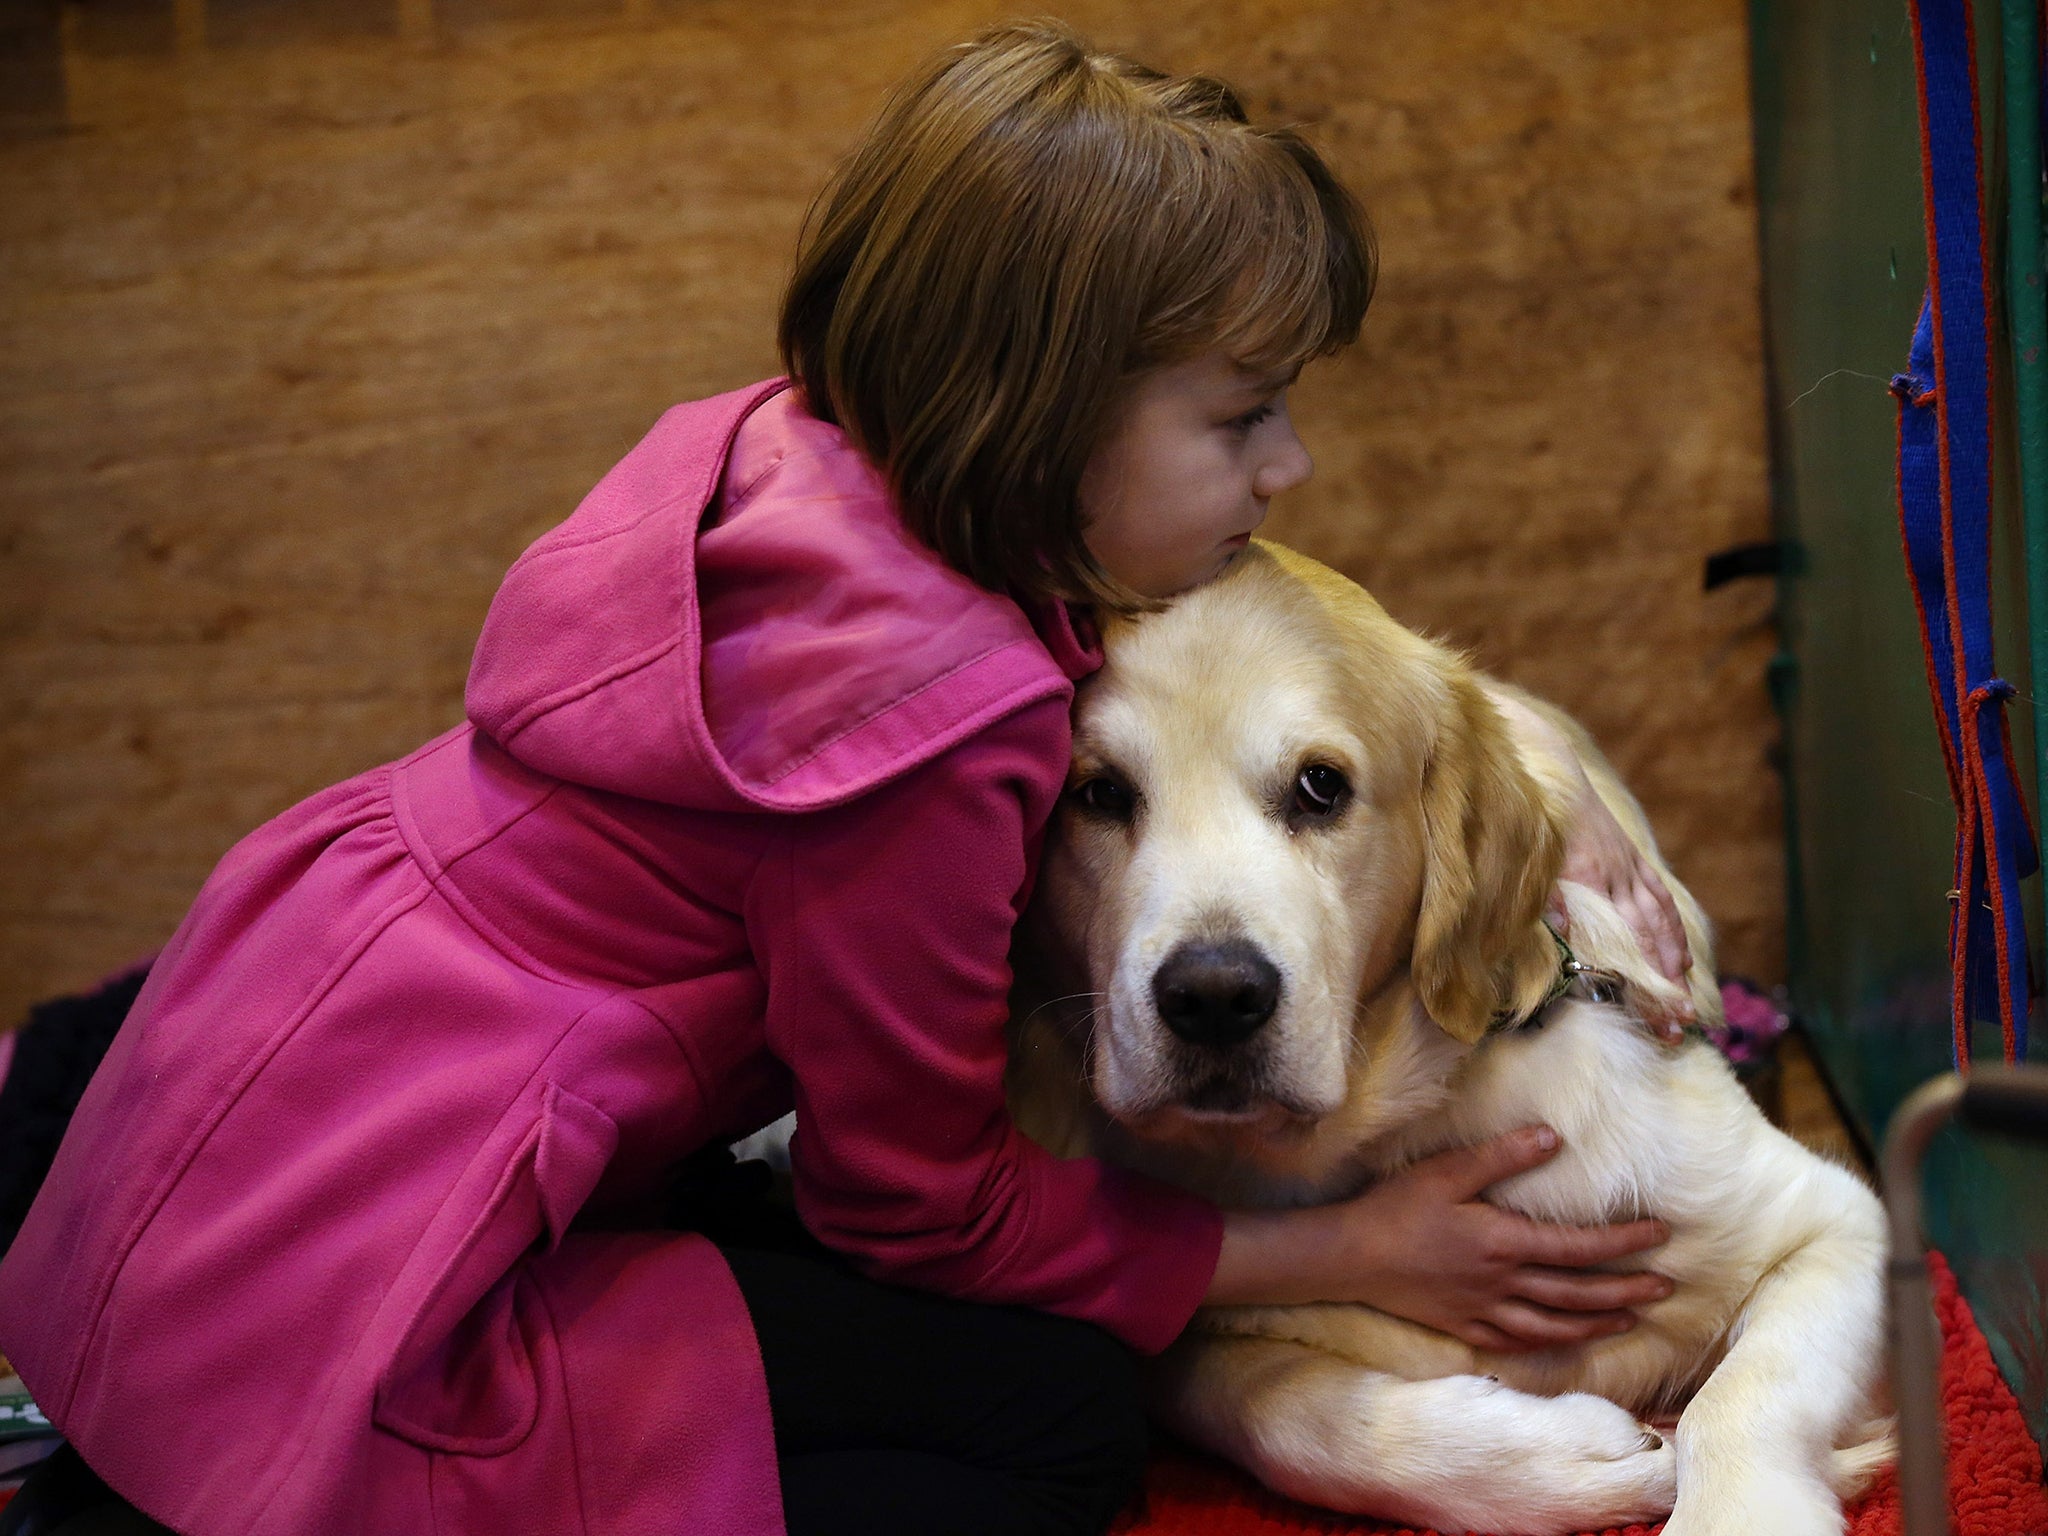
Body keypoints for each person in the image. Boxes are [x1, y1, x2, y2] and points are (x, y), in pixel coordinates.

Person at [0, 21, 1690, 1536]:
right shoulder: (941, 729)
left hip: (243, 1095)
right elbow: (922, 1214)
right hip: (377, 1304)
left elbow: (1282, 644)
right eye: (1244, 418)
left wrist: (1524, 761)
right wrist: (1343, 1251)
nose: (1288, 465)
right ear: (1051, 425)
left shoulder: (783, 451)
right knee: (1058, 1431)